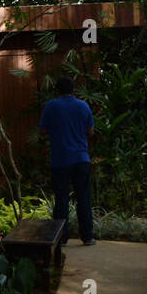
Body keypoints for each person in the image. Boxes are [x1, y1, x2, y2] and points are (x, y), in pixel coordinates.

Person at [39, 76, 96, 246]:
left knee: (61, 198)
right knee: (84, 198)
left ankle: (61, 238)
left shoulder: (51, 106)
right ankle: (87, 237)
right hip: (81, 158)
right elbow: (91, 131)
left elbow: (42, 131)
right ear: (74, 90)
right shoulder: (83, 106)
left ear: (57, 90)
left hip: (60, 159)